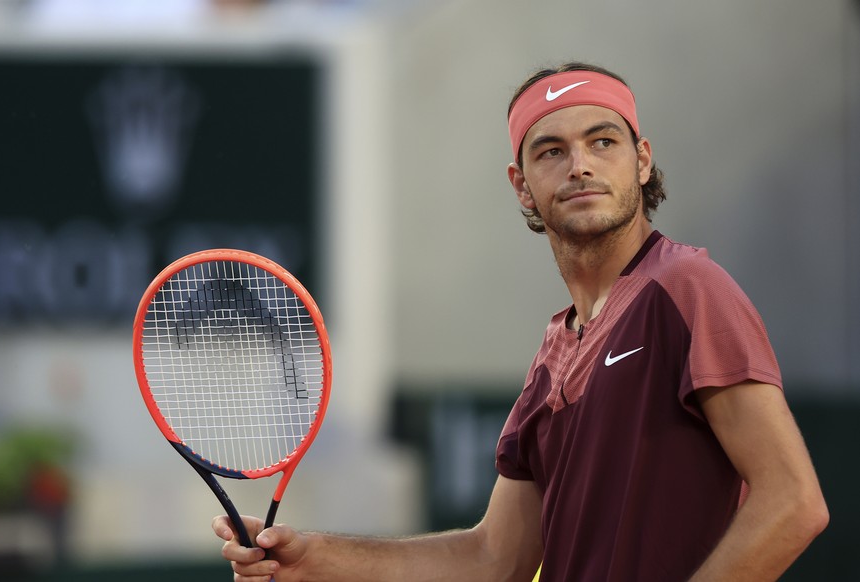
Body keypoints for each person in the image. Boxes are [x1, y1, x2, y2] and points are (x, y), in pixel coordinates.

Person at [213, 61, 828, 581]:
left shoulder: (689, 288)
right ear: (522, 186)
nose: (580, 165)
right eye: (551, 151)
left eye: (603, 142)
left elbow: (794, 503)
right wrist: (314, 557)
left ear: (642, 161)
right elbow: (492, 558)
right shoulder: (552, 355)